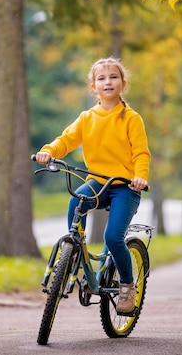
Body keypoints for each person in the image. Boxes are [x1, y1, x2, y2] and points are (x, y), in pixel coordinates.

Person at [35, 57, 150, 315]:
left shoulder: (131, 118)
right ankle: (74, 250)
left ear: (123, 83)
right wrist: (48, 151)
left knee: (112, 237)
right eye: (101, 78)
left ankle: (127, 285)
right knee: (76, 201)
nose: (107, 82)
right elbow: (66, 140)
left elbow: (141, 154)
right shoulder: (87, 118)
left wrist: (140, 176)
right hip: (97, 182)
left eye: (113, 77)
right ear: (93, 87)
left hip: (125, 186)